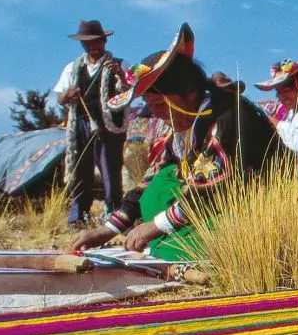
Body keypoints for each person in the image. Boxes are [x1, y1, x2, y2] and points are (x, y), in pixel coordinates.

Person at [71, 23, 282, 260]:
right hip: (212, 209)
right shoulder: (183, 131)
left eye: (160, 104)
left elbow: (212, 192)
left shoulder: (227, 118)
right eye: (150, 106)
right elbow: (150, 181)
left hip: (260, 206)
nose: (158, 114)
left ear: (190, 92)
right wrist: (108, 230)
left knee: (183, 242)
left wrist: (154, 226)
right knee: (162, 182)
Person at [54, 20, 129, 227]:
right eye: (88, 44)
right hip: (80, 124)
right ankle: (78, 216)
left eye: (97, 42)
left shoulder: (120, 65)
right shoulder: (73, 68)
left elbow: (131, 92)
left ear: (104, 41)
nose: (93, 47)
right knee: (80, 169)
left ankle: (113, 216)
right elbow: (60, 98)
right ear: (82, 45)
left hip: (109, 126)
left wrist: (121, 76)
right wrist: (68, 94)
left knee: (110, 169)